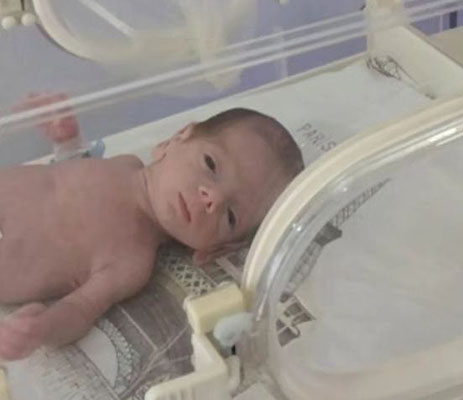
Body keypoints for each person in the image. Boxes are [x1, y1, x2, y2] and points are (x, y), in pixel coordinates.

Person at [0, 96, 304, 361]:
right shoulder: (124, 163)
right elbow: (62, 178)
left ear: (215, 249)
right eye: (211, 164)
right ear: (176, 138)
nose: (212, 198)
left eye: (231, 216)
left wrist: (43, 329)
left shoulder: (132, 262)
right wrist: (67, 141)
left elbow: (80, 309)